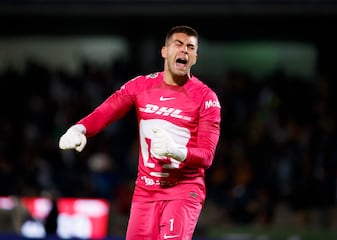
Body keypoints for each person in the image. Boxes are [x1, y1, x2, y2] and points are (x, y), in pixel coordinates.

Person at [58, 25, 221, 240]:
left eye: (190, 47)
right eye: (178, 45)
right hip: (145, 193)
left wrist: (176, 151)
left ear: (195, 57)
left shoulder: (206, 98)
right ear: (164, 51)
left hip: (183, 191)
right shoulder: (141, 86)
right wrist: (80, 128)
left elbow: (207, 157)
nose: (184, 51)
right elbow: (108, 110)